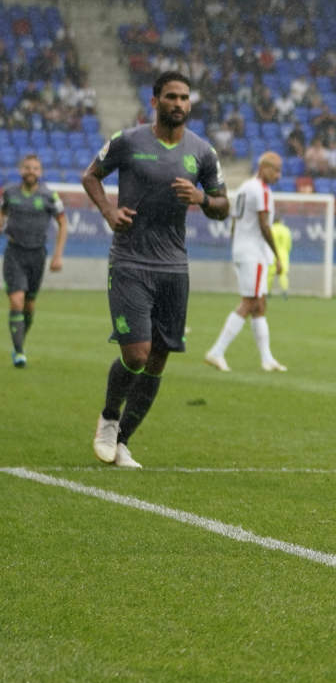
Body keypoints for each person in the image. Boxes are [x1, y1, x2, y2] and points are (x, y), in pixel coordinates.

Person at [82, 70, 228, 468]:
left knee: (159, 358)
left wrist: (201, 197)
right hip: (130, 260)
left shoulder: (202, 152)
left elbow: (223, 206)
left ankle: (123, 441)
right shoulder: (128, 141)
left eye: (184, 98)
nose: (178, 104)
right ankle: (109, 418)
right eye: (171, 97)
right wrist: (109, 210)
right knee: (137, 353)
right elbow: (90, 176)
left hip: (174, 268)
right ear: (155, 100)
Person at [204, 152, 287, 372]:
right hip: (254, 253)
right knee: (250, 302)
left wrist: (236, 246)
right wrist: (278, 255)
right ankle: (217, 351)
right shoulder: (261, 190)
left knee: (260, 304)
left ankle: (267, 359)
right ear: (264, 167)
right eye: (275, 170)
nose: (278, 175)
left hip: (242, 250)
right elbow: (264, 225)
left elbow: (234, 222)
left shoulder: (244, 187)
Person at [2, 154, 68, 367]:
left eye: (35, 168)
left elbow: (63, 223)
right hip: (14, 252)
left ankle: (19, 342)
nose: (31, 171)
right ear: (21, 170)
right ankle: (20, 352)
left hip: (37, 255)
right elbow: (1, 213)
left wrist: (58, 255)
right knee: (16, 301)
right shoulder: (9, 192)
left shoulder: (50, 196)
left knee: (29, 306)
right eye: (27, 167)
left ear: (40, 172)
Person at [268, 216, 292, 297]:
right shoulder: (286, 230)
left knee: (270, 274)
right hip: (283, 254)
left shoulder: (271, 229)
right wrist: (287, 252)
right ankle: (285, 292)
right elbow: (289, 244)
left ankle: (267, 292)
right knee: (283, 273)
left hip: (272, 253)